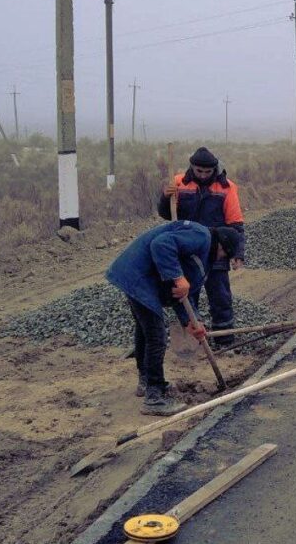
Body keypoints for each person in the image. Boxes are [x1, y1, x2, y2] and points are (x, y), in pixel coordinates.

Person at [106, 221, 241, 415]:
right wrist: (178, 276)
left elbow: (181, 294)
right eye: (224, 256)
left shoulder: (203, 256)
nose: (222, 260)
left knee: (145, 331)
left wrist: (191, 321)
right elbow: (161, 244)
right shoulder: (202, 237)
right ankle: (154, 397)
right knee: (156, 336)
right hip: (138, 275)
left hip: (136, 274)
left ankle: (146, 381)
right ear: (222, 246)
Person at [158, 147, 245, 347]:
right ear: (192, 167)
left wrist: (237, 253)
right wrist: (165, 197)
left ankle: (225, 341)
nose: (204, 175)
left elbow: (236, 224)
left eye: (208, 172)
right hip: (187, 252)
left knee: (221, 297)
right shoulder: (178, 182)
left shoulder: (227, 187)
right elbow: (167, 214)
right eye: (199, 171)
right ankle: (191, 343)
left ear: (214, 169)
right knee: (187, 298)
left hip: (217, 251)